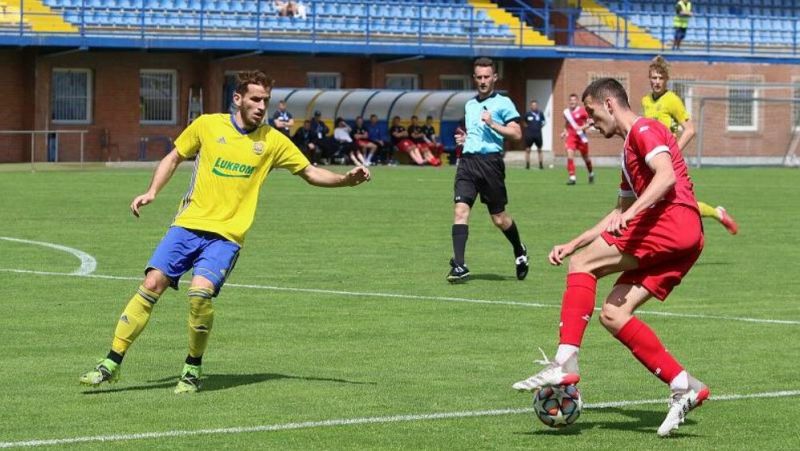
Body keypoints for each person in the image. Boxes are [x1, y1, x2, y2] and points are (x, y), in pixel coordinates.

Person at [79, 70, 370, 394]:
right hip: (188, 225)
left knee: (199, 295)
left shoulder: (272, 141)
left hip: (226, 236)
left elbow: (310, 172)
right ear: (238, 99)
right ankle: (111, 364)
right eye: (255, 99)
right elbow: (174, 156)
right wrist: (152, 192)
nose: (261, 106)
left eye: (266, 101)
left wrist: (345, 179)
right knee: (151, 283)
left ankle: (191, 369)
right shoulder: (207, 125)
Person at [512, 78, 708, 437]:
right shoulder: (628, 152)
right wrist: (574, 242)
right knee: (614, 314)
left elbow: (664, 178)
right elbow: (617, 213)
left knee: (583, 266)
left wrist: (630, 217)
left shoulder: (645, 129)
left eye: (590, 112)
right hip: (684, 238)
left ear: (609, 104)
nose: (589, 121)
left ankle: (565, 361)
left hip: (672, 220)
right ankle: (685, 385)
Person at [449, 57, 528, 283]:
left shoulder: (503, 103)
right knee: (460, 210)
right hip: (467, 162)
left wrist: (493, 124)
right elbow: (475, 132)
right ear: (474, 78)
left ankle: (519, 249)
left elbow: (517, 134)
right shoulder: (470, 105)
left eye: (487, 77)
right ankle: (460, 265)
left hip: (490, 164)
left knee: (499, 218)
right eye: (479, 77)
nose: (483, 81)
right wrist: (465, 140)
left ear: (494, 78)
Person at [643, 56, 738, 234]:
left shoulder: (672, 100)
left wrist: (673, 152)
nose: (657, 82)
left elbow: (690, 129)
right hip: (653, 162)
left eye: (661, 78)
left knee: (679, 204)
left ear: (666, 80)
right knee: (657, 203)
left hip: (670, 162)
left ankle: (716, 214)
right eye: (654, 77)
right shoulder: (646, 101)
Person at [561, 93, 594, 185]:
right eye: (571, 100)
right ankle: (572, 177)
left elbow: (591, 122)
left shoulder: (582, 111)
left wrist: (583, 127)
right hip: (571, 136)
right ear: (569, 101)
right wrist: (564, 132)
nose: (572, 102)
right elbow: (567, 123)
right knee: (569, 155)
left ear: (577, 101)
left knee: (586, 158)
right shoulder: (566, 112)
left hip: (581, 137)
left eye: (574, 100)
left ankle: (591, 173)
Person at [523, 99, 546, 170]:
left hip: (538, 134)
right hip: (529, 135)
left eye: (535, 105)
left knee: (539, 149)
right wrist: (528, 128)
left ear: (537, 106)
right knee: (527, 149)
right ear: (530, 106)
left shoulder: (540, 113)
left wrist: (538, 127)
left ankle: (541, 164)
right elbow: (524, 122)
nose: (534, 106)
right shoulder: (527, 114)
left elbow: (543, 122)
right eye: (533, 105)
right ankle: (527, 164)